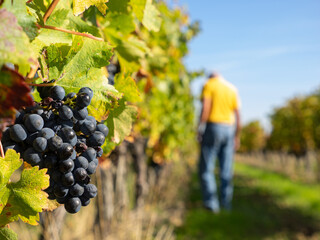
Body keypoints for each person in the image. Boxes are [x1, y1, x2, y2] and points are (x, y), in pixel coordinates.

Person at [198, 72, 241, 213]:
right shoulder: (232, 88)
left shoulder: (209, 85)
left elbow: (206, 107)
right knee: (226, 169)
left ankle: (212, 206)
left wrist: (200, 128)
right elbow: (238, 115)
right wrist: (237, 135)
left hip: (213, 127)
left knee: (207, 168)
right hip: (229, 128)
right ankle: (226, 204)